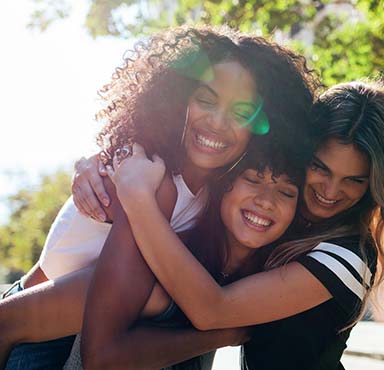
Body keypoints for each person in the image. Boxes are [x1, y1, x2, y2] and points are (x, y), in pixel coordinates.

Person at [0, 25, 318, 369]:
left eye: (242, 113)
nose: (217, 122)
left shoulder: (220, 193)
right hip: (34, 335)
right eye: (205, 100)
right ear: (178, 100)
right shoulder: (147, 176)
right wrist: (223, 332)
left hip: (88, 321)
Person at [84, 80, 384, 370]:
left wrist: (136, 198)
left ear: (375, 184)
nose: (330, 191)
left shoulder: (347, 256)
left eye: (354, 180)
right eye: (320, 168)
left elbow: (213, 310)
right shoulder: (284, 218)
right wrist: (97, 165)